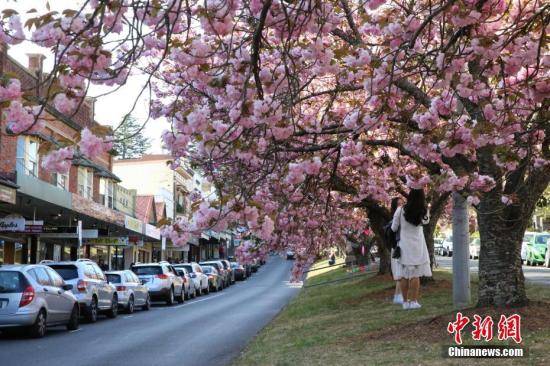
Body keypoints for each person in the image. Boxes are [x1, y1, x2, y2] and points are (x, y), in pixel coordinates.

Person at [392, 189, 431, 310]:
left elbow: (393, 228)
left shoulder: (400, 210)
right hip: (418, 245)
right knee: (415, 275)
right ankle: (414, 301)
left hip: (404, 245)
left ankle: (405, 302)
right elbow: (426, 222)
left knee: (404, 275)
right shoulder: (424, 210)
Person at [390, 197, 404, 304]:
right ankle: (398, 296)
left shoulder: (403, 217)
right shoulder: (394, 220)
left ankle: (399, 295)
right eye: (399, 204)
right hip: (397, 248)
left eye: (402, 203)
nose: (401, 206)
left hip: (402, 247)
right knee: (400, 274)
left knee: (402, 274)